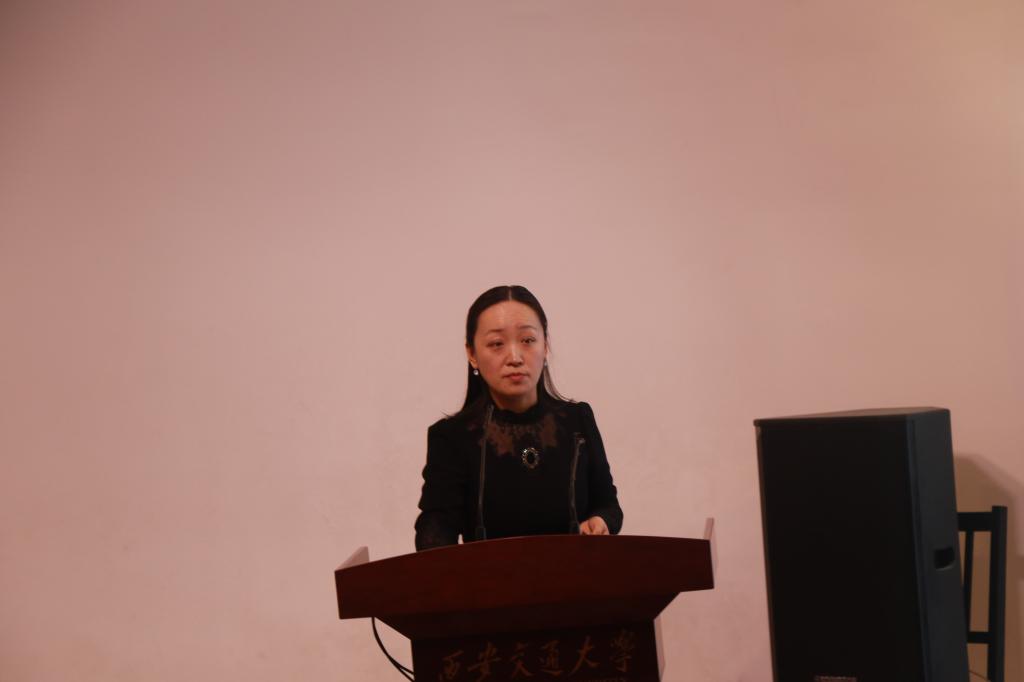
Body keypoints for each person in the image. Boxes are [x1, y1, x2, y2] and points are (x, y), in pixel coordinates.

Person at [414, 285, 623, 551]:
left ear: (545, 346)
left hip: (572, 573)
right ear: (472, 354)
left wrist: (600, 520)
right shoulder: (452, 436)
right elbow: (436, 528)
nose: (514, 357)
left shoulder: (577, 420)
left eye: (527, 340)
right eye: (496, 344)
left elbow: (608, 505)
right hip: (489, 577)